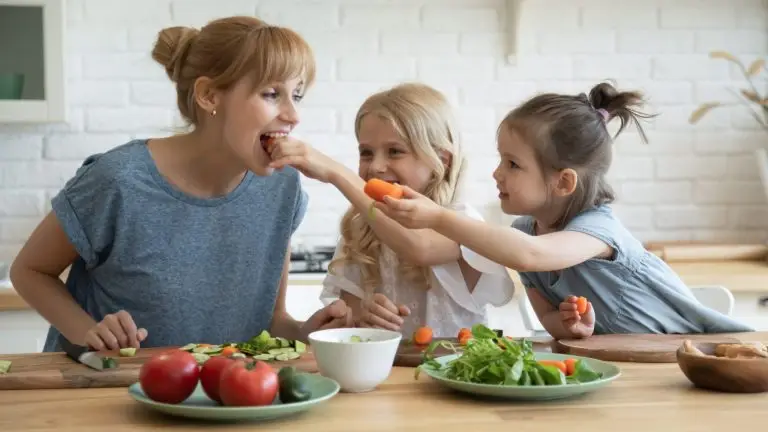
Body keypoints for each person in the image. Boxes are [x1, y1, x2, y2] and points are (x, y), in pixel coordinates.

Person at [9, 16, 353, 352]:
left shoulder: (283, 188)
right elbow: (29, 271)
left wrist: (307, 331)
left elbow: (271, 319)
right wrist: (89, 332)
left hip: (219, 400)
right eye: (271, 94)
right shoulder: (118, 180)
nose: (293, 115)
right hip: (108, 393)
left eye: (298, 95)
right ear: (209, 96)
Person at [373, 81, 754, 339]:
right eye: (500, 160)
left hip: (697, 351)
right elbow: (550, 321)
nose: (497, 173)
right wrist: (572, 325)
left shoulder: (597, 229)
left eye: (513, 164)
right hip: (626, 366)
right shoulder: (524, 233)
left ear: (564, 182)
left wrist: (438, 217)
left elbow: (531, 256)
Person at [266, 82, 516, 338]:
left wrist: (336, 173)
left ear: (441, 159)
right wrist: (362, 315)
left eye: (395, 152)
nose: (376, 167)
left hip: (454, 372)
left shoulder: (460, 221)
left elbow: (420, 247)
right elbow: (348, 318)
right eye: (366, 153)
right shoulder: (360, 231)